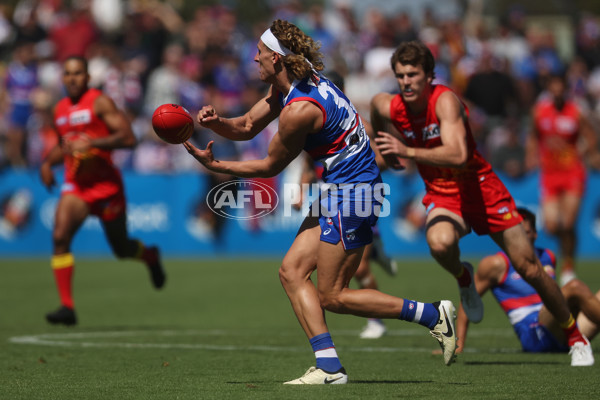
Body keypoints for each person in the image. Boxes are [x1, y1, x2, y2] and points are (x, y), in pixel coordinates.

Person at [184, 20, 458, 385]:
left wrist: (216, 165)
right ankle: (328, 366)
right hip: (346, 189)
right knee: (292, 271)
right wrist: (216, 123)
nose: (255, 58)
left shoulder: (299, 109)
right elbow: (248, 124)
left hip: (352, 193)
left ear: (278, 59)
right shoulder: (299, 81)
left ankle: (431, 315)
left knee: (333, 295)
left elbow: (270, 164)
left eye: (261, 53)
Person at [371, 40, 593, 366]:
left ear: (430, 76)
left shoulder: (445, 102)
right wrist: (385, 152)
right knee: (439, 242)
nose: (405, 81)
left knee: (529, 267)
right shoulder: (386, 104)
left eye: (413, 74)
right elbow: (377, 119)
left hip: (481, 188)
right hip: (444, 192)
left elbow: (460, 155)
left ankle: (574, 336)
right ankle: (464, 279)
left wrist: (406, 151)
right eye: (401, 75)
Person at [40, 56, 166, 326]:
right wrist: (47, 164)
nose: (72, 78)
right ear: (63, 78)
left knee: (121, 249)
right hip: (77, 185)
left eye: (78, 73)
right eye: (68, 73)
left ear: (87, 77)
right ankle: (67, 307)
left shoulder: (99, 101)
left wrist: (94, 143)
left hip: (106, 186)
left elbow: (129, 139)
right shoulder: (59, 109)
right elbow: (65, 145)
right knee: (60, 236)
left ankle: (150, 256)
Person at [456, 208, 598, 366]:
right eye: (518, 233)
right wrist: (458, 345)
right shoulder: (496, 264)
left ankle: (575, 340)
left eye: (526, 233)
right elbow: (468, 299)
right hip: (534, 333)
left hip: (561, 328)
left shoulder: (547, 256)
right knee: (574, 286)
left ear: (535, 234)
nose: (521, 239)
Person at [526, 72, 600, 286]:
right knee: (550, 225)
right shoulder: (540, 112)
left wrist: (584, 152)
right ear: (549, 90)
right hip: (550, 174)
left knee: (568, 222)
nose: (557, 92)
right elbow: (533, 136)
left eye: (561, 88)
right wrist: (532, 154)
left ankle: (568, 266)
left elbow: (591, 137)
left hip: (573, 173)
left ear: (565, 90)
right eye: (554, 88)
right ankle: (562, 253)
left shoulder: (576, 112)